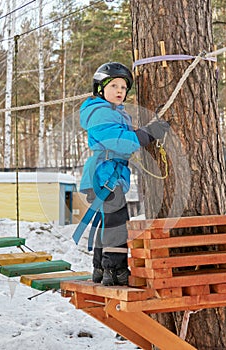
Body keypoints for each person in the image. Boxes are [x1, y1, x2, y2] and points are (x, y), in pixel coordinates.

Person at [79, 62, 169, 286]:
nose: (120, 91)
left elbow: (123, 136)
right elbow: (120, 141)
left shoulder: (112, 112)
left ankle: (101, 268)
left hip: (108, 172)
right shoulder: (99, 113)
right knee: (116, 222)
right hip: (105, 174)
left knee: (107, 220)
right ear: (100, 89)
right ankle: (115, 269)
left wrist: (145, 133)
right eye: (114, 86)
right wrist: (148, 134)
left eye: (123, 87)